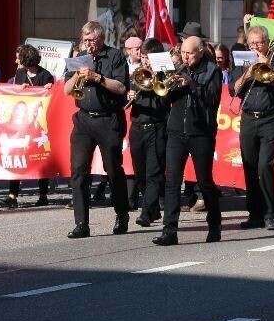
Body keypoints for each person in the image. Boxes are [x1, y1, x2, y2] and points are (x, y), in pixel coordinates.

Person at [153, 36, 222, 246]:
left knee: (204, 181)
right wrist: (168, 82)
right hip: (176, 131)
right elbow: (165, 100)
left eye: (190, 53)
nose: (185, 56)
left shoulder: (212, 71)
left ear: (200, 51)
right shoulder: (178, 68)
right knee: (172, 181)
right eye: (183, 52)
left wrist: (192, 85)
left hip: (201, 132)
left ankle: (215, 225)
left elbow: (212, 101)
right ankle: (169, 231)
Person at [64, 21, 130, 238]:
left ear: (100, 39)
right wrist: (78, 75)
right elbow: (67, 90)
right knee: (79, 171)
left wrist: (97, 78)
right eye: (85, 40)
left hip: (108, 119)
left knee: (113, 170)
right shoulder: (78, 57)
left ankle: (122, 214)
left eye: (91, 40)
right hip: (83, 120)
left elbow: (121, 88)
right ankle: (81, 223)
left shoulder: (115, 56)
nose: (87, 44)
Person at [231, 24, 274, 230]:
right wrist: (248, 73)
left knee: (265, 165)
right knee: (249, 166)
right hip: (248, 118)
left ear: (267, 43)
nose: (256, 46)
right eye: (252, 43)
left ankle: (269, 213)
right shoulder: (242, 60)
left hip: (269, 118)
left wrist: (270, 67)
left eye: (260, 43)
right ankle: (254, 214)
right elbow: (234, 89)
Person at [0, 44, 55, 209]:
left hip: (37, 125)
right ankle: (12, 195)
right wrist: (20, 89)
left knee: (40, 158)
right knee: (18, 157)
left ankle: (43, 194)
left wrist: (45, 89)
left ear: (26, 59)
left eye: (19, 58)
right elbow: (16, 94)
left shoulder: (45, 75)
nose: (17, 61)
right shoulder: (20, 73)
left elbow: (49, 97)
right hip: (22, 125)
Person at [130, 39, 170, 227]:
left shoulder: (165, 75)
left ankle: (146, 213)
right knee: (140, 174)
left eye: (147, 58)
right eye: (143, 57)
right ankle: (153, 209)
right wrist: (130, 94)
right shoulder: (138, 74)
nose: (145, 62)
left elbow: (165, 102)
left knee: (154, 173)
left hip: (157, 126)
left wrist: (157, 80)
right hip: (137, 126)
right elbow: (128, 93)